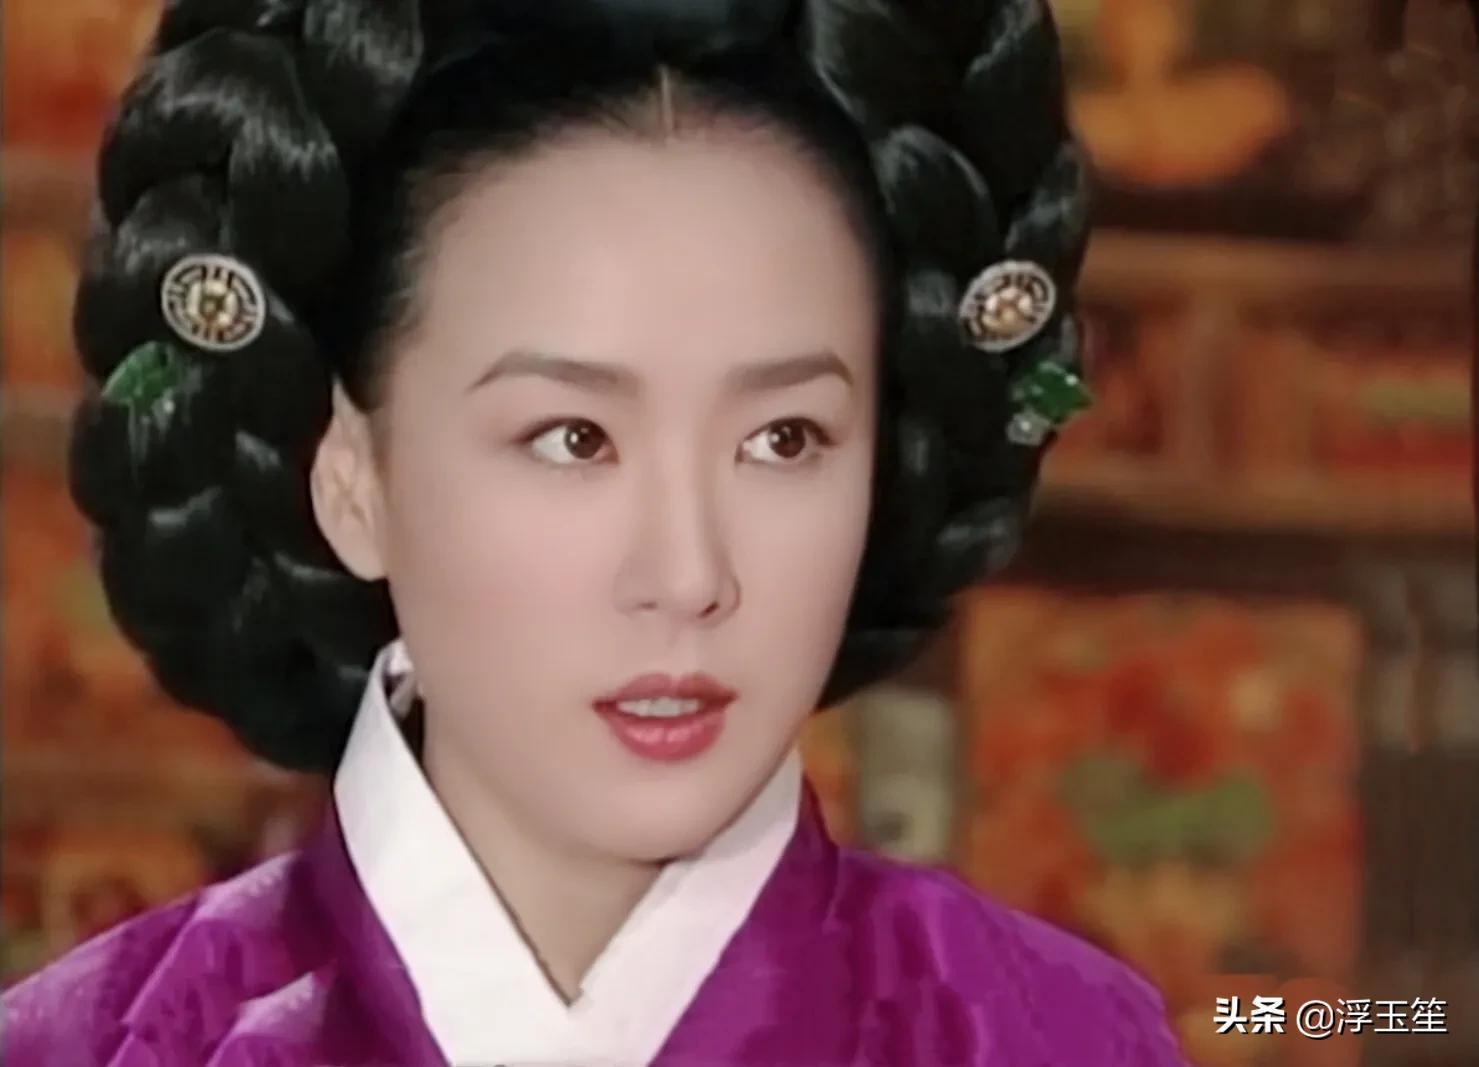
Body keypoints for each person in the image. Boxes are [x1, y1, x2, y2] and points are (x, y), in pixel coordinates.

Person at [2, 0, 1189, 1063]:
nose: (689, 574)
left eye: (784, 438)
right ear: (350, 475)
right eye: (572, 437)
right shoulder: (85, 1047)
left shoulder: (1058, 1037)